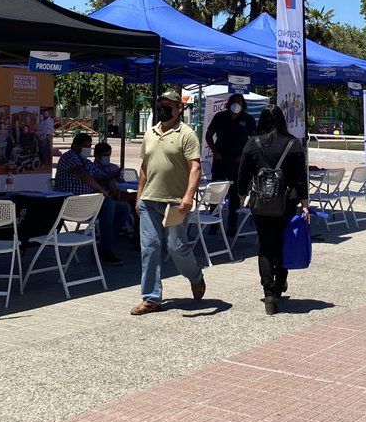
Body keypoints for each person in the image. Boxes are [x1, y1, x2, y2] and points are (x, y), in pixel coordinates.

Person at [131, 91, 205, 316]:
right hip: (150, 201)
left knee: (176, 247)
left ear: (179, 109)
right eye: (161, 104)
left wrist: (188, 197)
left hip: (175, 202)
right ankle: (151, 298)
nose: (164, 108)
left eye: (169, 105)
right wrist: (139, 195)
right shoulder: (150, 133)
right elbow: (145, 166)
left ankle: (195, 276)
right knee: (150, 248)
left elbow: (195, 167)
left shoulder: (187, 134)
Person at [237, 106, 309, 315]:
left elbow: (242, 172)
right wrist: (304, 203)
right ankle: (280, 281)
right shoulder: (293, 143)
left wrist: (242, 195)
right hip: (287, 201)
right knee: (283, 241)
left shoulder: (253, 143)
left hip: (261, 202)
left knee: (266, 245)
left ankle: (269, 293)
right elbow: (300, 177)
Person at [51, 133, 123, 266]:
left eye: (89, 146)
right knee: (108, 205)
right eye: (84, 146)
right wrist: (100, 190)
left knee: (124, 208)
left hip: (88, 203)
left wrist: (111, 179)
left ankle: (105, 244)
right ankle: (105, 250)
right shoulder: (70, 157)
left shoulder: (85, 161)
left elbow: (99, 175)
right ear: (75, 146)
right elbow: (82, 174)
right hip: (73, 204)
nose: (88, 149)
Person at [205, 93, 256, 235]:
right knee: (215, 192)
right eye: (234, 101)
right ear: (229, 103)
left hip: (238, 162)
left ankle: (232, 227)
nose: (236, 104)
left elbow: (253, 140)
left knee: (235, 195)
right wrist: (214, 151)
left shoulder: (248, 119)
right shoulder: (220, 117)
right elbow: (208, 135)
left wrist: (244, 155)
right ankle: (213, 223)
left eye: (239, 102)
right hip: (220, 159)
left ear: (243, 104)